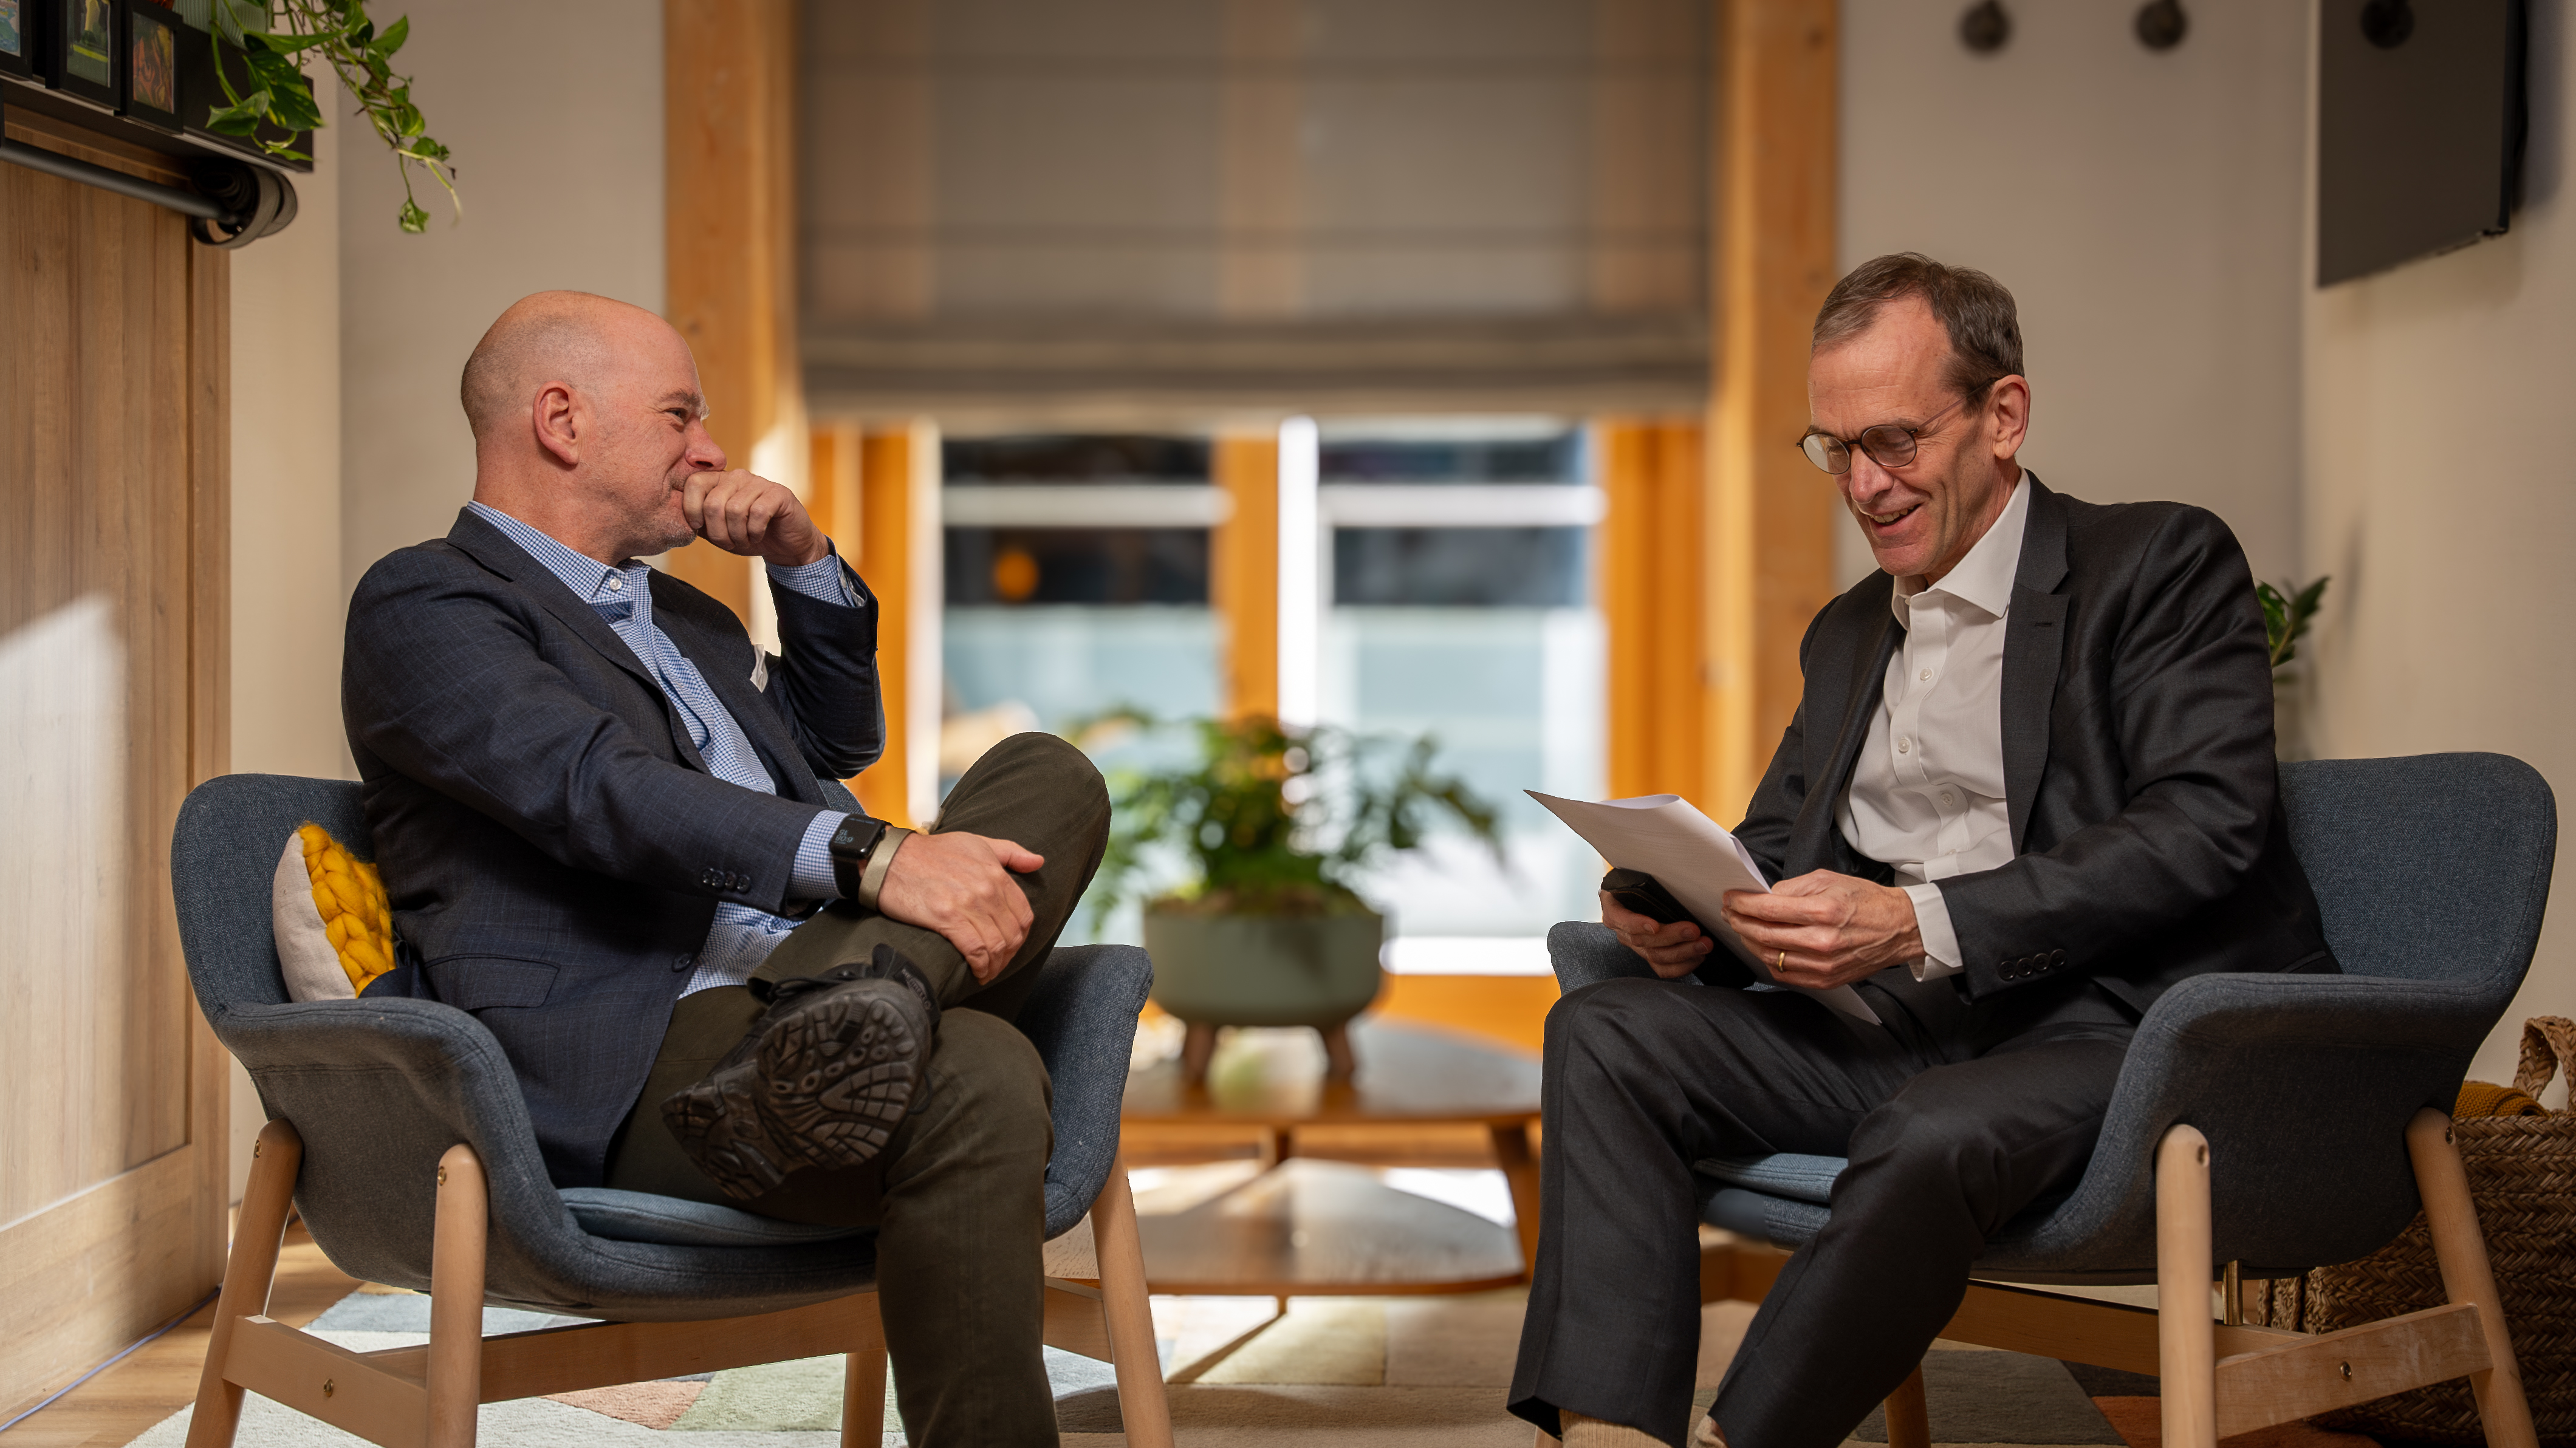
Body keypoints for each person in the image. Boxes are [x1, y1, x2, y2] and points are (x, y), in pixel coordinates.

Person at [1507, 254, 2338, 1448]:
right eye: (1832, 448)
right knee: (1603, 1030)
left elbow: (2201, 825)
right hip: (1903, 1029)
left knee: (1936, 1125)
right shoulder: (1848, 630)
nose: (1860, 483)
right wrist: (1670, 898)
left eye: (1891, 441)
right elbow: (1772, 841)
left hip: (2125, 1027)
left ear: (2002, 416)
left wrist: (1919, 923)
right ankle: (1608, 1432)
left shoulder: (2152, 565)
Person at [343, 290, 1109, 1447]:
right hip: (645, 1051)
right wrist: (877, 859)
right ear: (562, 418)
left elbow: (835, 745)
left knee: (1048, 772)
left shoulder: (688, 621)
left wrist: (803, 561)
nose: (709, 452)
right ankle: (868, 1016)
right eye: (679, 416)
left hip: (794, 1007)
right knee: (983, 1066)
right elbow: (596, 788)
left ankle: (863, 1011)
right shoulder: (430, 601)